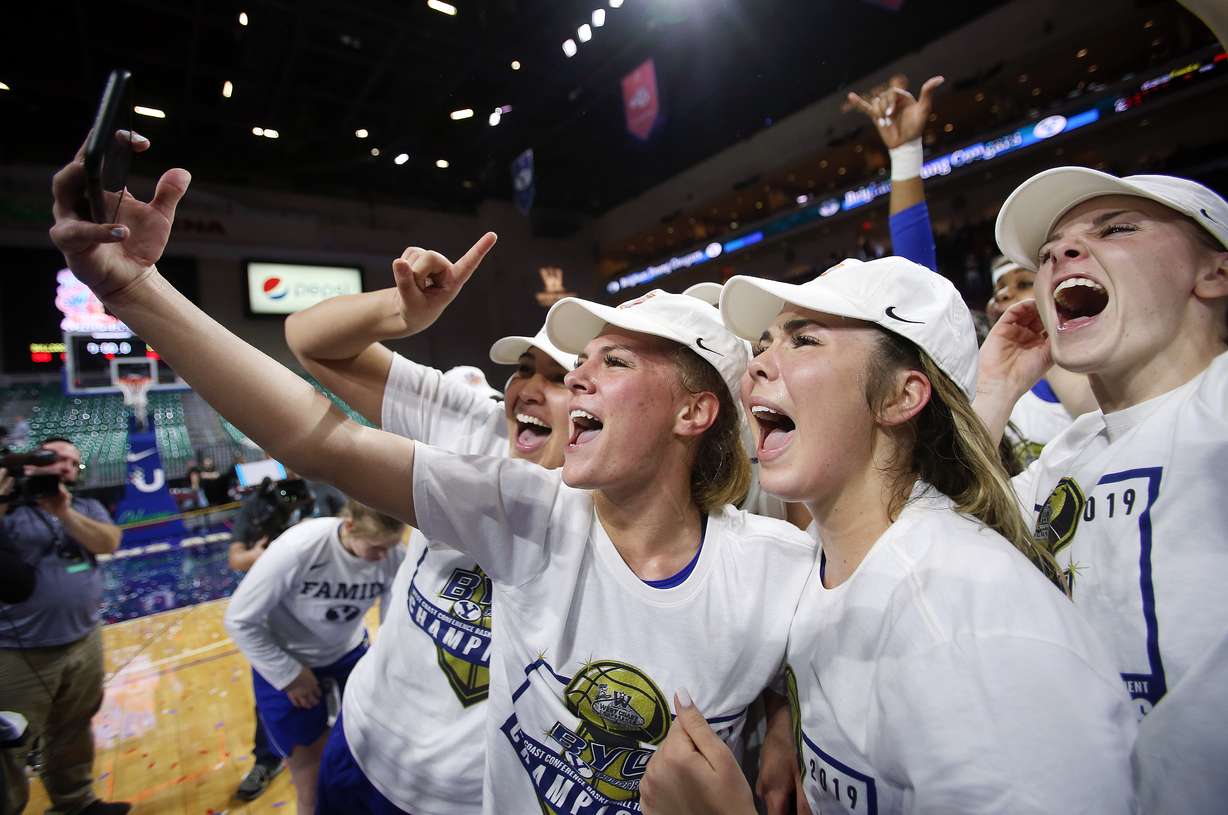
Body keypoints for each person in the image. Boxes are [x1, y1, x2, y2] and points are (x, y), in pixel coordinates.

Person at [47, 134, 817, 814]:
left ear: (695, 412)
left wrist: (787, 721)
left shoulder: (781, 564)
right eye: (572, 362)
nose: (573, 377)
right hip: (372, 751)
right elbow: (317, 438)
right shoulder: (529, 506)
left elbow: (806, 665)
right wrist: (134, 290)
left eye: (609, 361)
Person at [639, 256, 1139, 815]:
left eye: (803, 341)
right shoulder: (824, 563)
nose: (756, 365)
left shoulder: (970, 625)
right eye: (763, 344)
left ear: (901, 397)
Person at [977, 166, 1228, 813]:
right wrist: (994, 392)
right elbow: (931, 549)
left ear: (1215, 273)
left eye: (1117, 229)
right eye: (1047, 253)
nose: (1060, 253)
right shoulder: (1068, 455)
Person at [284, 257, 575, 814]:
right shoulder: (474, 422)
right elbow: (308, 339)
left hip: (470, 799)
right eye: (525, 368)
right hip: (364, 741)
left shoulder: (621, 506)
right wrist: (396, 312)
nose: (529, 390)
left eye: (560, 378)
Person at [223, 500, 406, 815]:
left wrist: (382, 668)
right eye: (376, 547)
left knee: (365, 765)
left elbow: (393, 624)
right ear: (349, 526)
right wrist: (289, 675)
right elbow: (239, 619)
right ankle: (270, 764)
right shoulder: (298, 548)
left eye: (390, 546)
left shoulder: (393, 556)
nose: (383, 556)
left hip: (347, 654)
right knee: (310, 783)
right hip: (289, 657)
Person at [0, 438, 129, 815]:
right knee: (10, 743)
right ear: (30, 462)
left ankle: (75, 803)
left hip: (83, 639)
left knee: (72, 727)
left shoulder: (84, 506)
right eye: (55, 458)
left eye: (74, 463)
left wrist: (64, 513)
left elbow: (109, 542)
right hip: (18, 650)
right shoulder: (8, 509)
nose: (66, 467)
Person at [227, 472, 346, 801]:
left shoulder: (329, 491)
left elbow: (355, 538)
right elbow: (236, 558)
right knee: (277, 699)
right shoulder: (258, 502)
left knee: (350, 702)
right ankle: (268, 759)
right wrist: (266, 556)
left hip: (333, 615)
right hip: (279, 625)